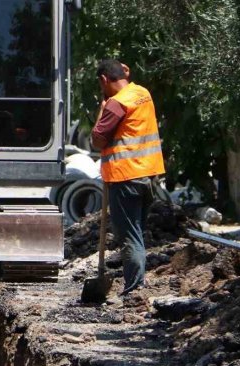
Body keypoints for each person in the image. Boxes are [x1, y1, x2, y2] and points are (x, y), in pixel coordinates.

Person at [90, 59, 166, 295]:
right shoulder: (143, 93)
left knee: (129, 237)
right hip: (148, 176)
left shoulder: (116, 104)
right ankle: (137, 283)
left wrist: (101, 111)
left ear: (104, 80)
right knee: (137, 233)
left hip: (125, 178)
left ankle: (134, 289)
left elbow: (97, 139)